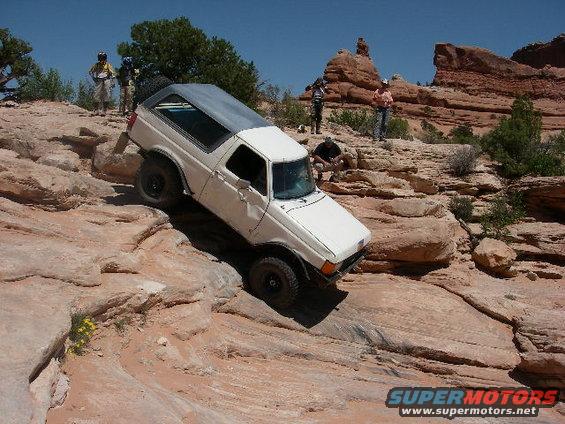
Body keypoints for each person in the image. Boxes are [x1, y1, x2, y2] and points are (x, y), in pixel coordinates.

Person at [89, 51, 116, 116]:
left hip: (106, 80)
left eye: (103, 58)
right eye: (100, 58)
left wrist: (113, 82)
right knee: (96, 94)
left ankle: (104, 110)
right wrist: (93, 78)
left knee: (106, 94)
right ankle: (96, 110)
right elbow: (90, 71)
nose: (101, 60)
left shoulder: (108, 65)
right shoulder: (96, 65)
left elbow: (113, 74)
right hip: (99, 80)